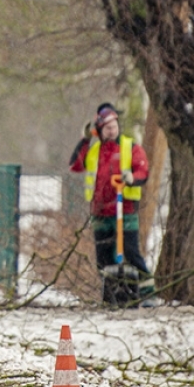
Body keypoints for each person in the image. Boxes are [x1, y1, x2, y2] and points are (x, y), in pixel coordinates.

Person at [68, 103, 154, 306]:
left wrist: (131, 177)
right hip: (100, 212)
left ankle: (148, 294)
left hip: (125, 210)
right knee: (103, 257)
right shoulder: (94, 150)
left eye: (114, 125)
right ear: (99, 130)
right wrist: (85, 140)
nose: (112, 129)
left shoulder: (129, 147)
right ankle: (112, 295)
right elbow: (75, 165)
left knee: (131, 252)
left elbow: (143, 170)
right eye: (107, 126)